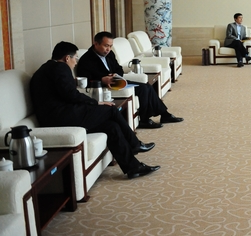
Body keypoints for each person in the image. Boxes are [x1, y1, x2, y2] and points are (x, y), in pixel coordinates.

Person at [30, 42, 160, 179]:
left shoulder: (46, 68)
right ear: (67, 58)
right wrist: (96, 102)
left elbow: (63, 93)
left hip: (55, 116)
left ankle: (133, 168)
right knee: (111, 109)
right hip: (60, 117)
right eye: (75, 58)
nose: (76, 62)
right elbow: (71, 95)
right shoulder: (60, 68)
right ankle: (135, 144)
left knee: (111, 126)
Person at [77, 32, 184, 129]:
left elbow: (119, 69)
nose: (108, 49)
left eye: (110, 46)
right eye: (106, 46)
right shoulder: (86, 60)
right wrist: (102, 80)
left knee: (146, 86)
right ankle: (144, 120)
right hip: (103, 87)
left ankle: (164, 114)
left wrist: (116, 74)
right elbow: (85, 81)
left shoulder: (109, 54)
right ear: (96, 44)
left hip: (117, 82)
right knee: (143, 89)